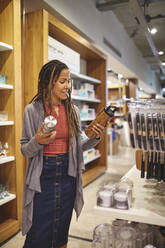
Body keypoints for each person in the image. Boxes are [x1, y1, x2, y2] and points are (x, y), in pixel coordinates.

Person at [20, 59, 105, 248]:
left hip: (68, 175)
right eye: (62, 81)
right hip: (43, 177)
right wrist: (38, 141)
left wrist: (93, 136)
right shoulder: (32, 110)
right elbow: (25, 149)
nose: (68, 86)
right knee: (38, 231)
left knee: (61, 231)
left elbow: (77, 146)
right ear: (48, 82)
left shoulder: (72, 110)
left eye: (69, 82)